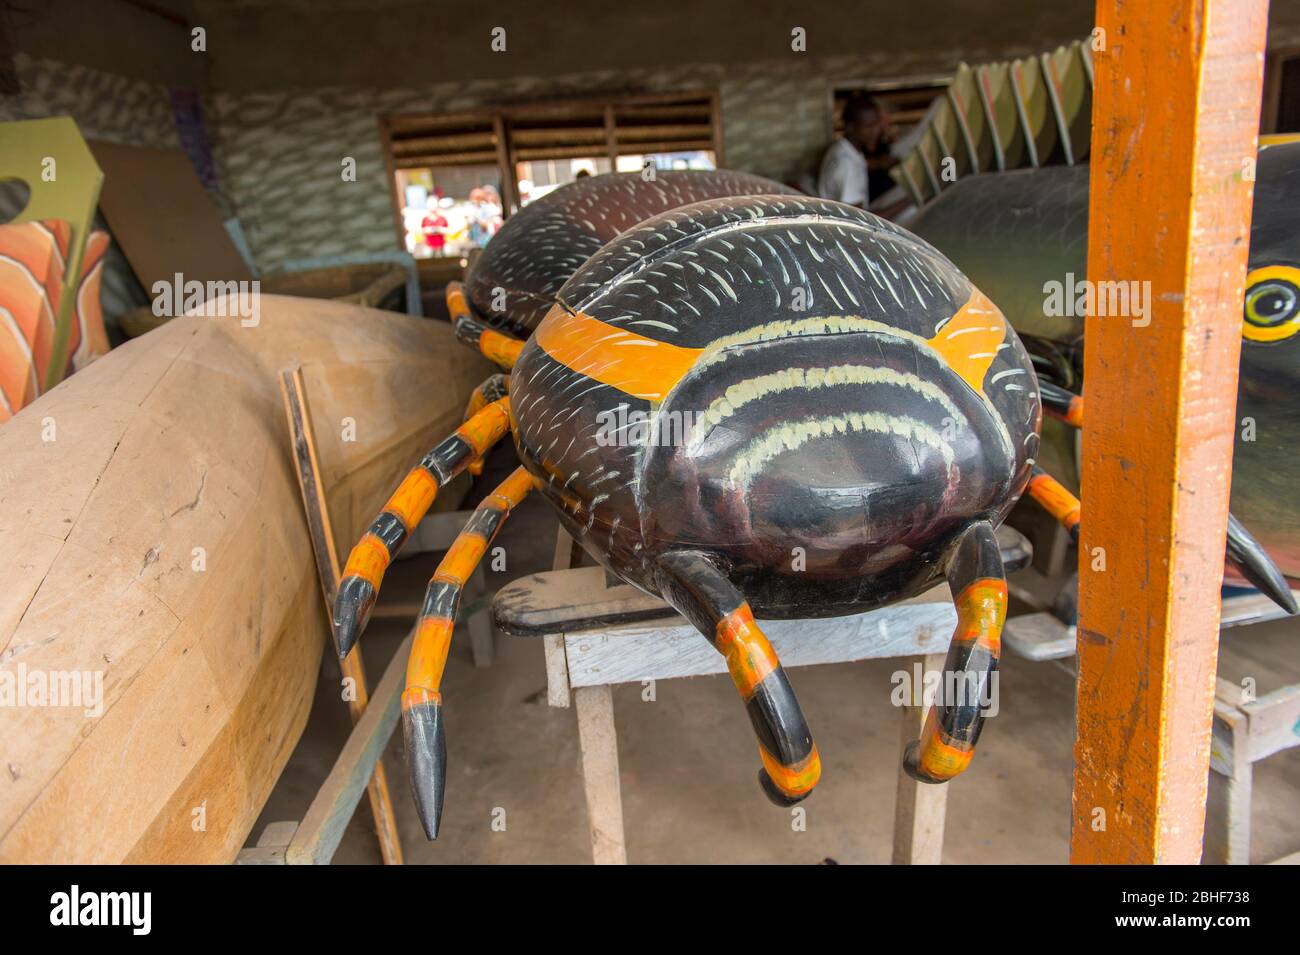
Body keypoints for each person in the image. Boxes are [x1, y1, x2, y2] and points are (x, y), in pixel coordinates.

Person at [818, 94, 897, 207]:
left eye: (876, 124)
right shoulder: (847, 163)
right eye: (868, 126)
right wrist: (906, 202)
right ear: (851, 128)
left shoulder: (845, 149)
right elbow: (858, 220)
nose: (875, 131)